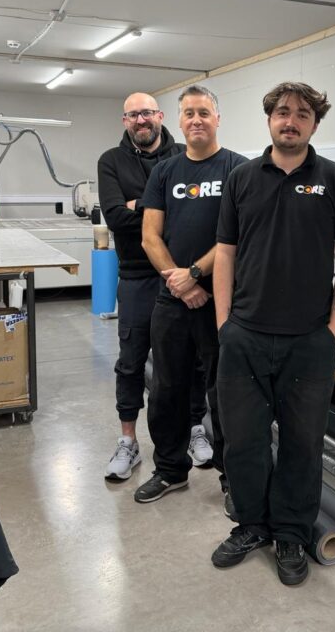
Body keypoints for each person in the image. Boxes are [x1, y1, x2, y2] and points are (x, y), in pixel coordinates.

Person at [210, 82, 335, 586]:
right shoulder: (242, 178)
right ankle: (252, 525)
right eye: (281, 112)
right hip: (244, 337)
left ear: (314, 124)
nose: (290, 120)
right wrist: (225, 325)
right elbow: (226, 253)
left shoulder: (334, 180)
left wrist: (330, 332)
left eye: (301, 114)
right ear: (269, 119)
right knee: (243, 443)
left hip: (308, 341)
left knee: (302, 445)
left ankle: (292, 534)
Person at [135, 85, 248, 504]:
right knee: (167, 388)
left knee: (227, 391)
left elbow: (240, 235)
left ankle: (233, 478)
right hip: (173, 300)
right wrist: (180, 284)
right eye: (189, 113)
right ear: (179, 122)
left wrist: (196, 274)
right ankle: (170, 470)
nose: (196, 119)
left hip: (224, 301)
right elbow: (149, 236)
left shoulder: (239, 169)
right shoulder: (165, 172)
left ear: (217, 118)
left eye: (204, 112)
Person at [97, 92, 214, 481]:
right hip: (137, 276)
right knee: (131, 361)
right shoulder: (111, 161)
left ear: (161, 116)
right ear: (124, 121)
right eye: (133, 115)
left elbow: (194, 213)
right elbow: (115, 217)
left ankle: (195, 429)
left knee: (193, 361)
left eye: (147, 112)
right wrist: (160, 208)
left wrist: (139, 205)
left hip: (185, 274)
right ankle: (128, 441)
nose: (141, 120)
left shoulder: (183, 155)